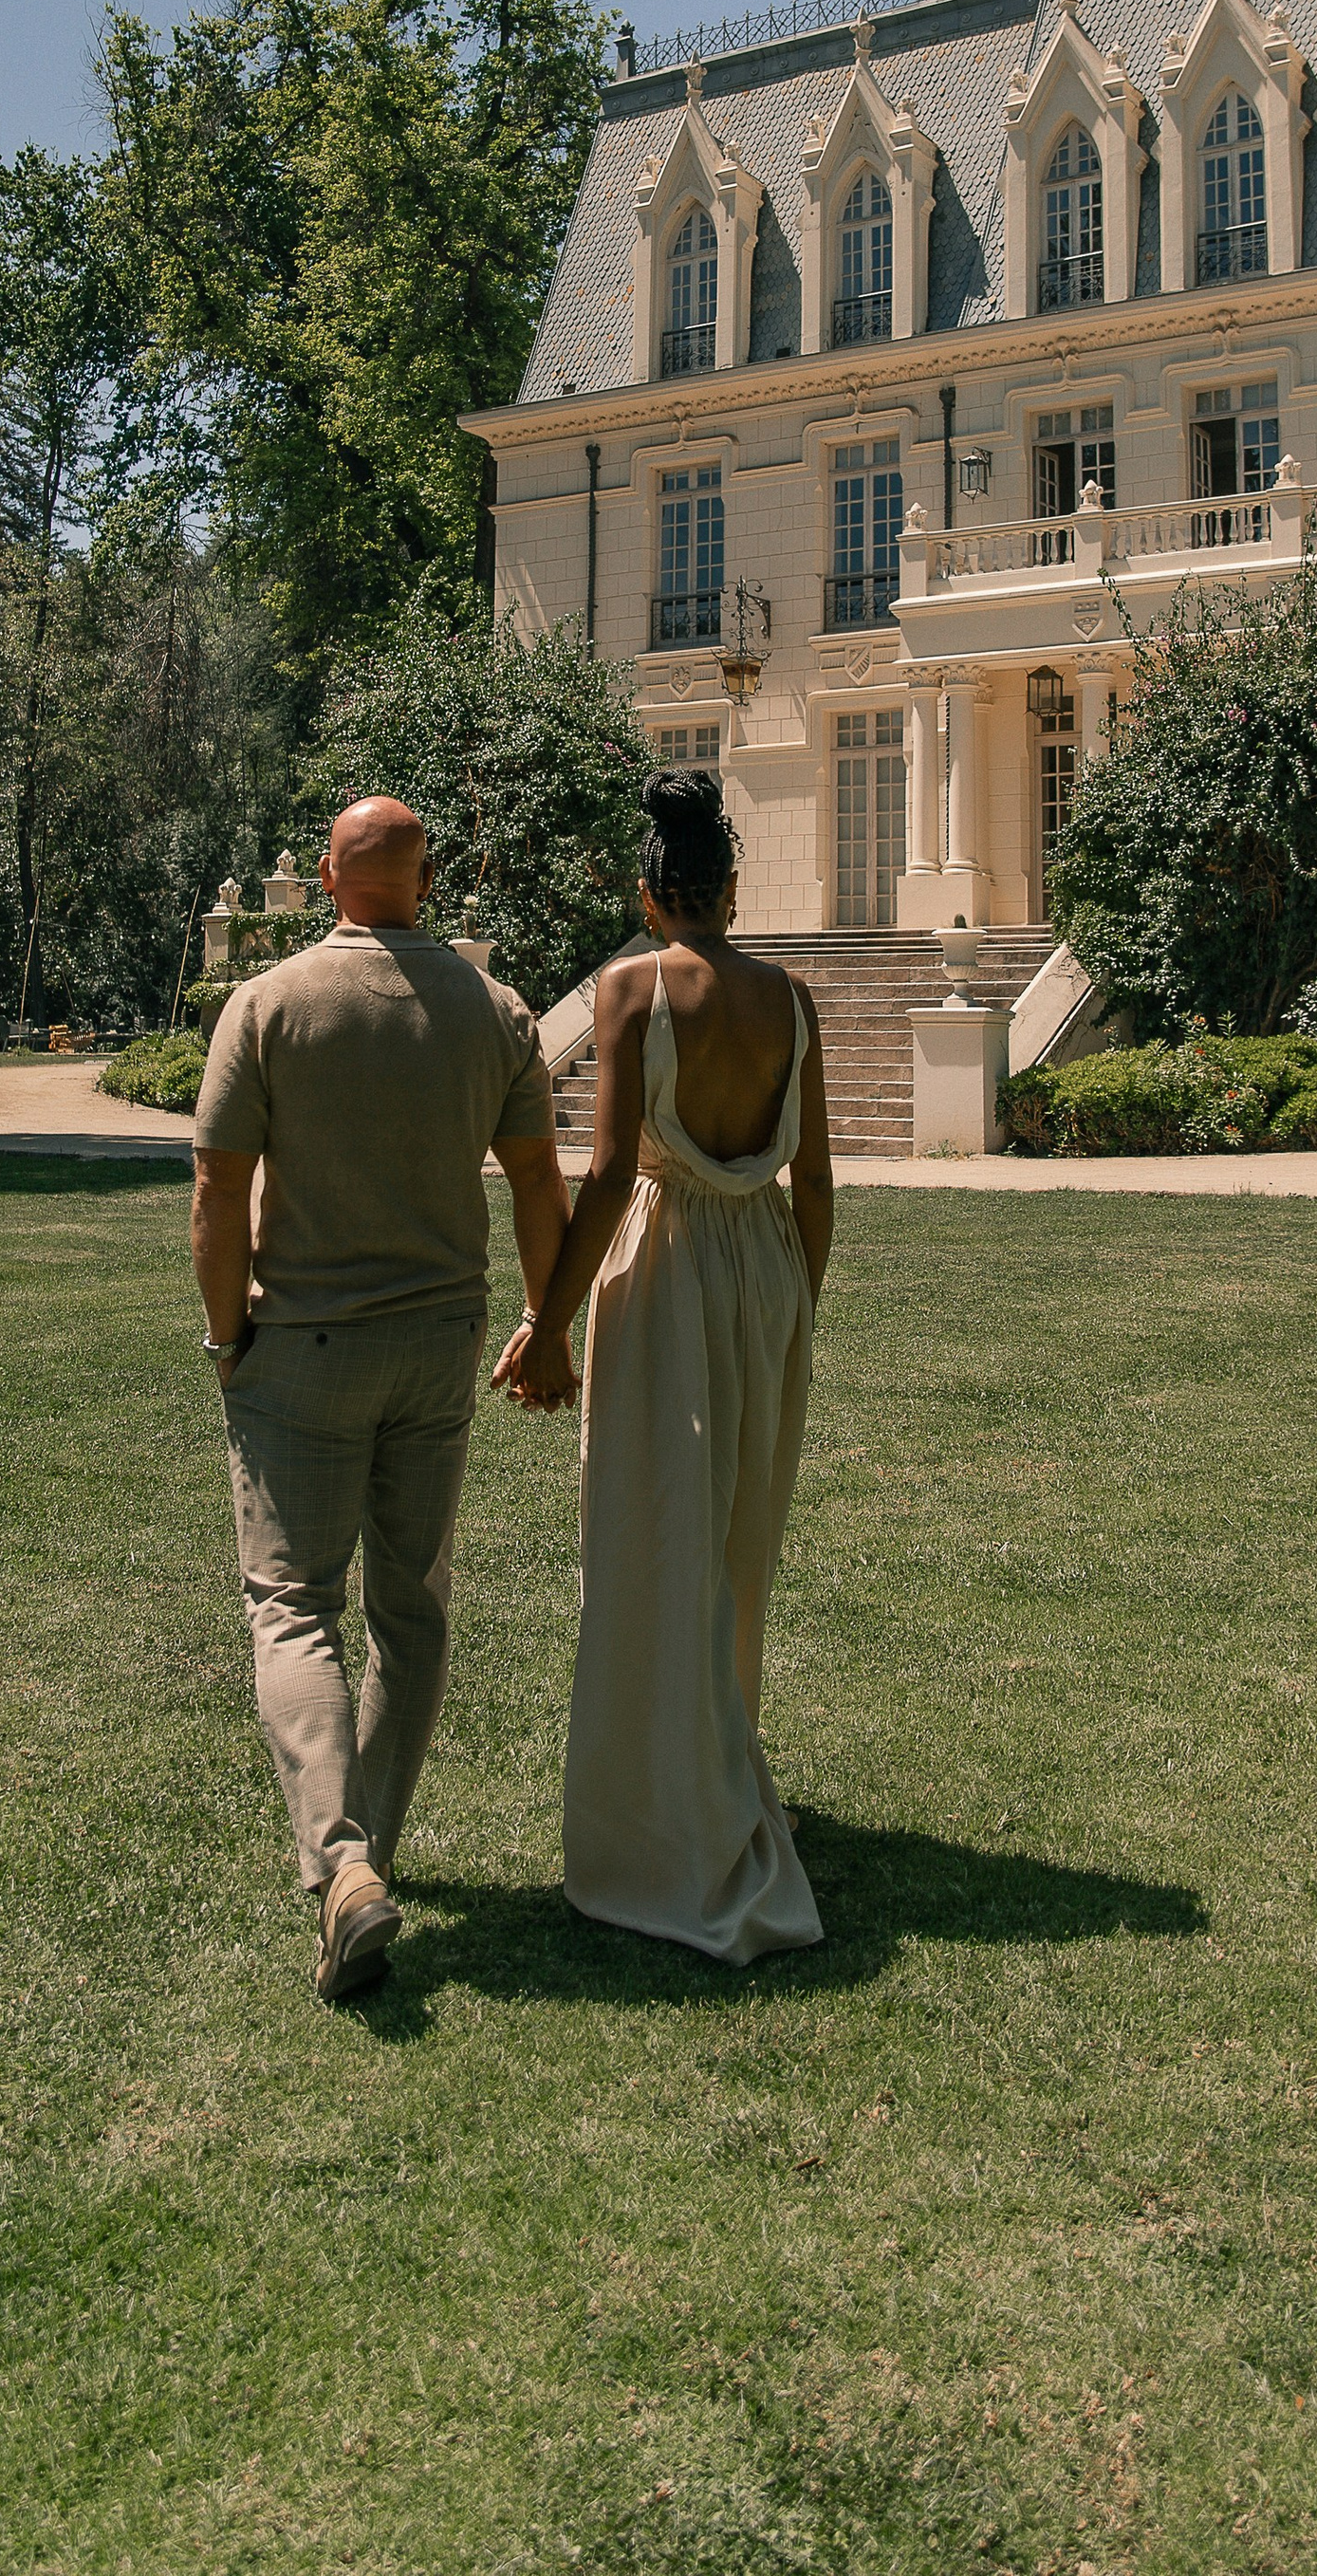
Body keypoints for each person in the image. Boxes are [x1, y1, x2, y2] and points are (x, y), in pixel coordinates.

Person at [193, 797, 573, 2005]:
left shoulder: (270, 1002)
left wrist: (223, 1333)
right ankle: (365, 1868)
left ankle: (343, 1867)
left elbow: (216, 1188)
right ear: (424, 879)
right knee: (410, 1613)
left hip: (300, 1342)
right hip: (437, 1342)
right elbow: (537, 1188)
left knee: (292, 1603)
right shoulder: (493, 1010)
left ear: (324, 876)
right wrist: (542, 1319)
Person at [495, 769, 832, 1964]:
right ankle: (718, 1750)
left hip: (668, 1260)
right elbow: (816, 1185)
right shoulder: (792, 997)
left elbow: (601, 1175)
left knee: (649, 1529)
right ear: (731, 887)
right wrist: (797, 1307)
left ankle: (666, 1801)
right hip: (767, 1275)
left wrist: (547, 1317)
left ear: (648, 891)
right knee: (737, 1536)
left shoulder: (631, 986)